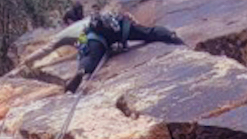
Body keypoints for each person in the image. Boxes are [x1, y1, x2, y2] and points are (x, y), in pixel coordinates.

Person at [56, 11, 185, 93]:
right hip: (119, 29)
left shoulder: (80, 29)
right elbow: (125, 17)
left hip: (96, 38)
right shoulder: (97, 16)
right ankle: (170, 36)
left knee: (90, 58)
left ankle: (82, 71)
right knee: (148, 33)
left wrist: (82, 59)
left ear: (69, 22)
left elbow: (83, 47)